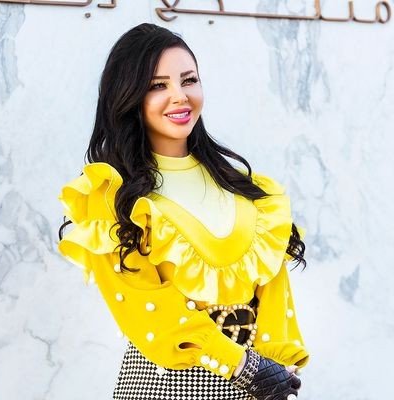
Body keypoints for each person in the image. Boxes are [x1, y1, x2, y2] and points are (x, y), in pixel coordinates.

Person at [57, 23, 309, 400]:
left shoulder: (245, 187)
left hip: (260, 387)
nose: (180, 96)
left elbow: (274, 292)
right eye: (158, 86)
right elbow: (151, 313)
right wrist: (245, 367)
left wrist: (278, 370)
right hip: (165, 388)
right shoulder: (112, 195)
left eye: (188, 80)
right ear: (129, 97)